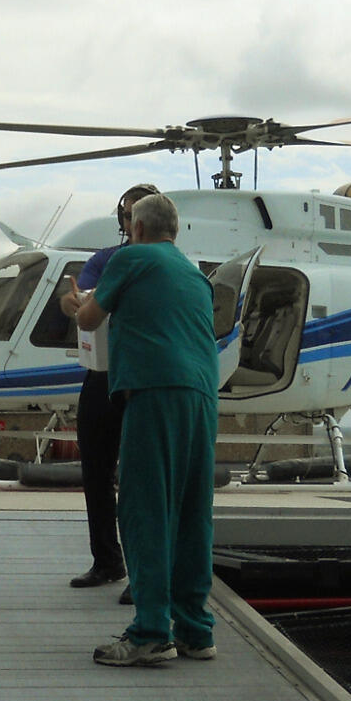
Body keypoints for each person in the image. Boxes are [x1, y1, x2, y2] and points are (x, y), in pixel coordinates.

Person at [70, 192, 219, 666]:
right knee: (193, 512)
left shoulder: (131, 258)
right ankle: (196, 630)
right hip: (201, 395)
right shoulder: (194, 272)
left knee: (144, 507)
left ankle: (151, 631)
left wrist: (76, 301)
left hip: (154, 393)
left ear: (136, 228)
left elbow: (90, 320)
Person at [58, 182, 161, 589]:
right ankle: (107, 560)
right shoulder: (106, 259)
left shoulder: (161, 263)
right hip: (102, 374)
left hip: (143, 378)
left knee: (143, 477)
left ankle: (144, 572)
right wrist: (72, 303)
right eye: (128, 214)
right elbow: (76, 301)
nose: (132, 223)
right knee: (96, 470)